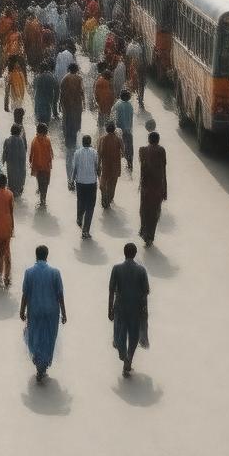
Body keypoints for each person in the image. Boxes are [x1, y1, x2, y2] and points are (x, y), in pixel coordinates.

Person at [20, 245, 66, 382]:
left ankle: (39, 364)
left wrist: (22, 310)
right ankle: (43, 366)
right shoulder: (55, 273)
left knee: (35, 336)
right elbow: (60, 295)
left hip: (34, 310)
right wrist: (64, 312)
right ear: (47, 256)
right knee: (49, 338)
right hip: (51, 312)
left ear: (36, 255)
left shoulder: (29, 272)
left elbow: (25, 294)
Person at [108, 242, 150, 378]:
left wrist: (109, 309)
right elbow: (145, 292)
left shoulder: (116, 269)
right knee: (133, 335)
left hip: (120, 307)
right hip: (136, 308)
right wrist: (145, 310)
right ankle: (129, 359)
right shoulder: (141, 270)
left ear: (124, 253)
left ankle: (123, 355)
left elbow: (111, 291)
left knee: (120, 333)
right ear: (135, 253)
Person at [138, 132, 168, 246]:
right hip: (158, 186)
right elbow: (164, 171)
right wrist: (165, 189)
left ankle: (144, 232)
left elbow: (142, 168)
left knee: (144, 210)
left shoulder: (142, 150)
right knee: (155, 211)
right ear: (158, 140)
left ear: (148, 140)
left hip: (145, 185)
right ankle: (150, 236)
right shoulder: (161, 151)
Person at [59, 63, 84, 187]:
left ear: (69, 69)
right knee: (76, 144)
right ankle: (75, 178)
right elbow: (82, 94)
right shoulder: (79, 79)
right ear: (77, 70)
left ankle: (70, 180)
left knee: (69, 150)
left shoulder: (65, 79)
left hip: (67, 113)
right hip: (76, 114)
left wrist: (60, 107)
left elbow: (61, 95)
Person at [72, 135, 99, 239]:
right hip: (91, 182)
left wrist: (71, 180)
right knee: (90, 207)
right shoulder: (94, 152)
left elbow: (74, 168)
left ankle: (79, 218)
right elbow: (96, 167)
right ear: (90, 142)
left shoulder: (77, 153)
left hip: (80, 182)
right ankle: (85, 231)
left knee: (81, 201)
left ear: (82, 143)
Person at [98, 122, 124, 209]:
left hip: (105, 165)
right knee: (112, 184)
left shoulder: (101, 139)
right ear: (114, 129)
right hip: (115, 166)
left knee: (103, 183)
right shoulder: (118, 139)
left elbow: (99, 153)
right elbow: (123, 153)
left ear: (106, 129)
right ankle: (109, 200)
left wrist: (98, 165)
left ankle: (104, 198)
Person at [29, 122, 54, 208]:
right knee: (45, 184)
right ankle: (43, 201)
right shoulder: (47, 140)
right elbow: (51, 153)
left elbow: (31, 154)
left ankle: (42, 200)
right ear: (45, 132)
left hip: (38, 168)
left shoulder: (34, 140)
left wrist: (31, 162)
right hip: (46, 167)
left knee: (41, 184)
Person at [112, 90, 136, 173]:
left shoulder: (117, 104)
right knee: (129, 151)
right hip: (129, 132)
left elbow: (112, 117)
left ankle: (117, 171)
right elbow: (131, 119)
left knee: (118, 151)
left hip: (119, 132)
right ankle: (130, 169)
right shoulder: (130, 105)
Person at [2, 124, 27, 198]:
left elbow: (4, 155)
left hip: (11, 168)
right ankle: (19, 199)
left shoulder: (7, 140)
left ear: (11, 131)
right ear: (19, 132)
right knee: (20, 184)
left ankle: (13, 202)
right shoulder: (21, 140)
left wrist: (3, 161)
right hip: (21, 167)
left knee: (11, 184)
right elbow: (24, 153)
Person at [125, 38, 146, 110]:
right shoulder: (139, 47)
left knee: (135, 85)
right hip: (141, 78)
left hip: (136, 75)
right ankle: (140, 100)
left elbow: (127, 57)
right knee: (140, 87)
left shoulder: (129, 47)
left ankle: (137, 98)